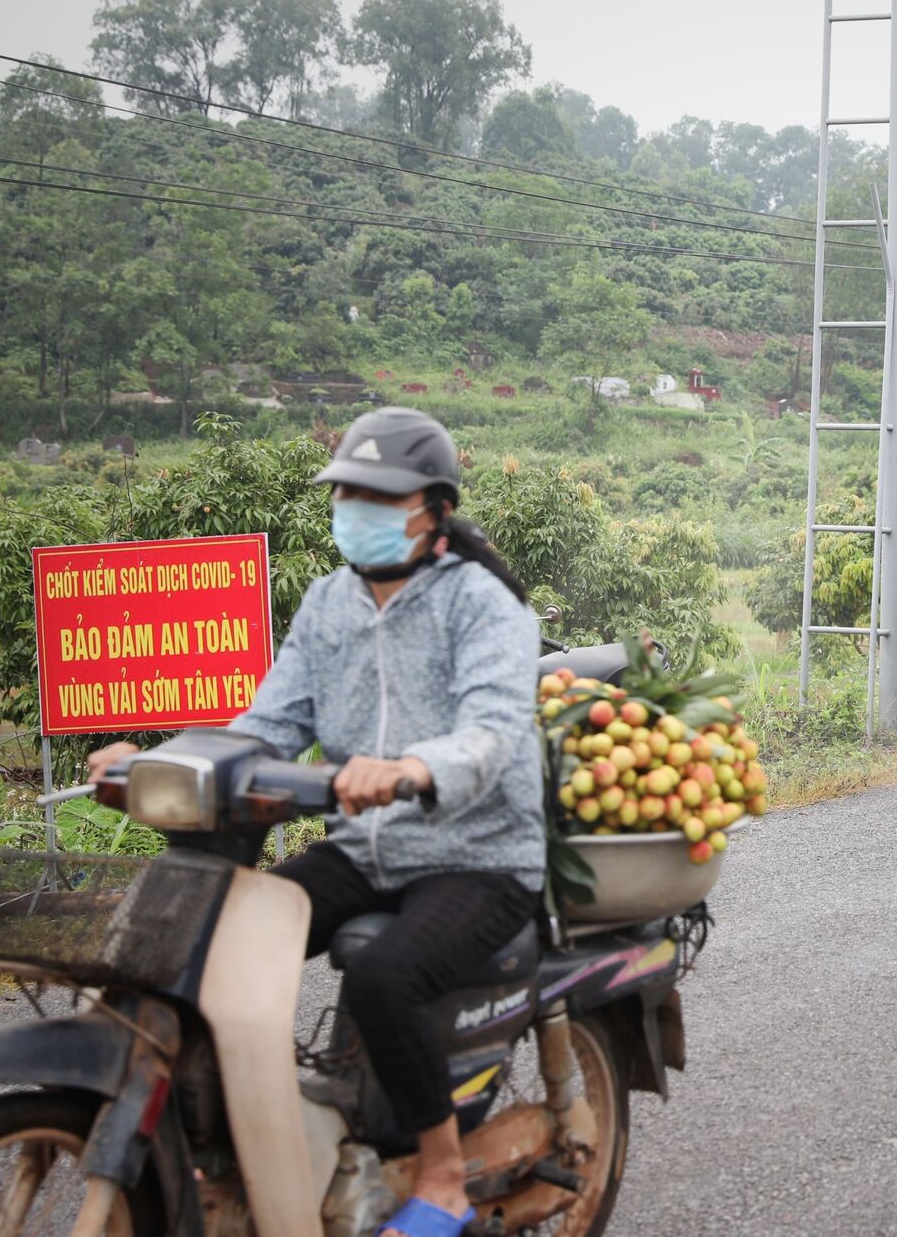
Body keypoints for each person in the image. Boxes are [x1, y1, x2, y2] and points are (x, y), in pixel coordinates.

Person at [88, 408, 542, 1237]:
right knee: (207, 938)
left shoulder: (483, 605)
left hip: (478, 854)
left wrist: (412, 768)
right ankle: (231, 1148)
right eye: (347, 493)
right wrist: (155, 759)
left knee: (382, 976)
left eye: (379, 495)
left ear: (434, 510)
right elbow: (266, 726)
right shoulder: (328, 602)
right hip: (366, 847)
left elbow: (491, 733)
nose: (356, 510)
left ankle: (440, 1180)